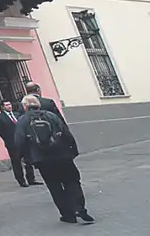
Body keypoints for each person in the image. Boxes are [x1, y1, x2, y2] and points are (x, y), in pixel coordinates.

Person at [14, 95, 94, 224]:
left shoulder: (23, 120)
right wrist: (72, 150)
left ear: (25, 106)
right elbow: (66, 133)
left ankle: (68, 215)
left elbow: (19, 141)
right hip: (62, 155)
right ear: (38, 104)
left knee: (54, 187)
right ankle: (80, 208)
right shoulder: (51, 116)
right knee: (72, 182)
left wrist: (25, 158)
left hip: (42, 159)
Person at [0, 100, 40, 187]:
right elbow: (0, 131)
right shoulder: (0, 117)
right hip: (12, 143)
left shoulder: (17, 114)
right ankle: (21, 180)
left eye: (10, 104)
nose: (9, 106)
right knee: (16, 162)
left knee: (28, 160)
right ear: (2, 107)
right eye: (7, 105)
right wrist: (8, 140)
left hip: (23, 141)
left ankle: (31, 178)